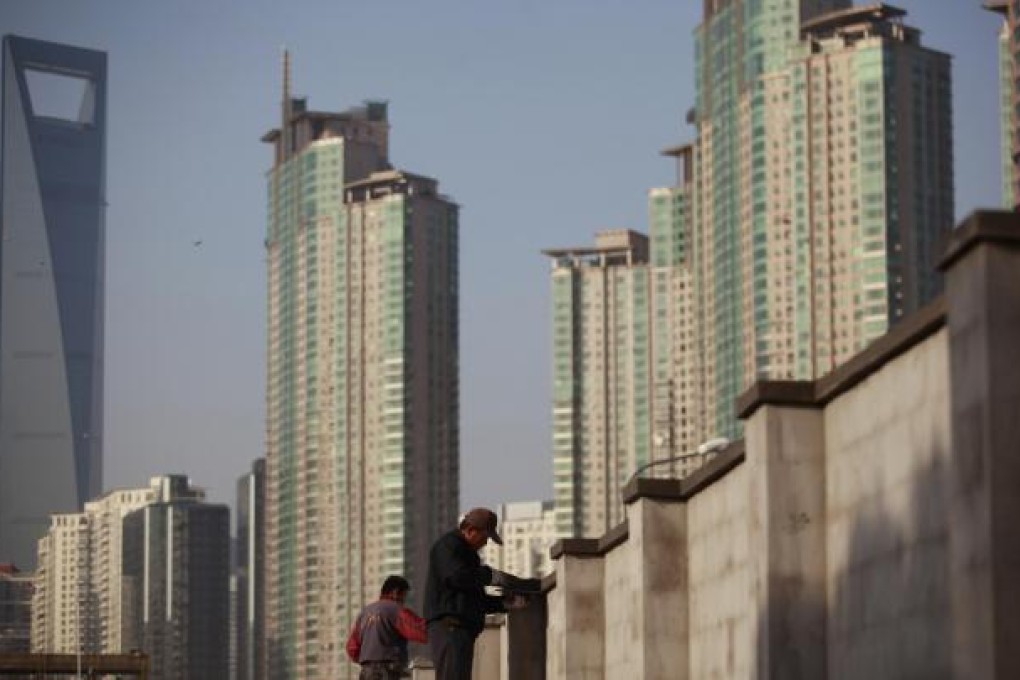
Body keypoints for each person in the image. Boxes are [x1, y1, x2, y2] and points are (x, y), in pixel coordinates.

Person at [423, 507, 541, 680]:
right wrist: (490, 576)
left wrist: (504, 602)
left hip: (460, 629)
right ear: (470, 530)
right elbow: (456, 577)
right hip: (450, 627)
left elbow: (473, 597)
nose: (485, 543)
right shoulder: (448, 546)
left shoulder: (468, 555)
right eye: (485, 537)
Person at [346, 575, 428, 680]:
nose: (403, 601)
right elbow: (419, 631)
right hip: (387, 671)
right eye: (404, 596)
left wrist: (369, 661)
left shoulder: (364, 613)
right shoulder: (395, 610)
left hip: (366, 672)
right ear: (395, 592)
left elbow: (352, 648)